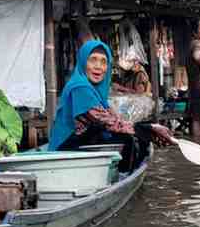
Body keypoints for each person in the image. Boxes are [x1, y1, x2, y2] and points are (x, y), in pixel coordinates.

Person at [49, 39, 173, 171]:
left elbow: (113, 118)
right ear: (83, 62)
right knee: (130, 139)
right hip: (65, 150)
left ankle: (123, 173)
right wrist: (149, 128)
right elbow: (106, 121)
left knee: (135, 137)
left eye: (103, 62)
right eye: (93, 60)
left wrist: (148, 129)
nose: (98, 66)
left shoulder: (94, 90)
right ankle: (123, 175)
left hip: (81, 143)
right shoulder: (79, 87)